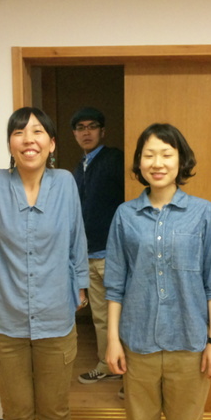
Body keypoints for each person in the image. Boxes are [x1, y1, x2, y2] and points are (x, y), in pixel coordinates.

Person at [0, 107, 89, 420]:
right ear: (10, 144)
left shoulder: (65, 182)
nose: (29, 140)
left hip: (55, 319)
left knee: (55, 411)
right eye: (19, 132)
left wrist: (81, 288)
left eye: (37, 131)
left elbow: (77, 239)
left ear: (52, 144)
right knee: (17, 414)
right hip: (4, 319)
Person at [105, 123, 211, 420]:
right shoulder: (125, 215)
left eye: (166, 154)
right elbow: (115, 285)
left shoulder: (203, 212)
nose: (157, 163)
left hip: (189, 343)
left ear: (181, 160)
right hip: (137, 344)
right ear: (139, 162)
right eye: (149, 155)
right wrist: (113, 340)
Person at [70, 107, 125, 387]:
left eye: (92, 126)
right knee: (101, 317)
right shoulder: (79, 168)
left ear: (103, 131)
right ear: (74, 134)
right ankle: (108, 365)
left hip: (113, 255)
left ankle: (132, 376)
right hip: (88, 255)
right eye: (80, 128)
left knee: (124, 316)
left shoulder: (114, 159)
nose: (86, 132)